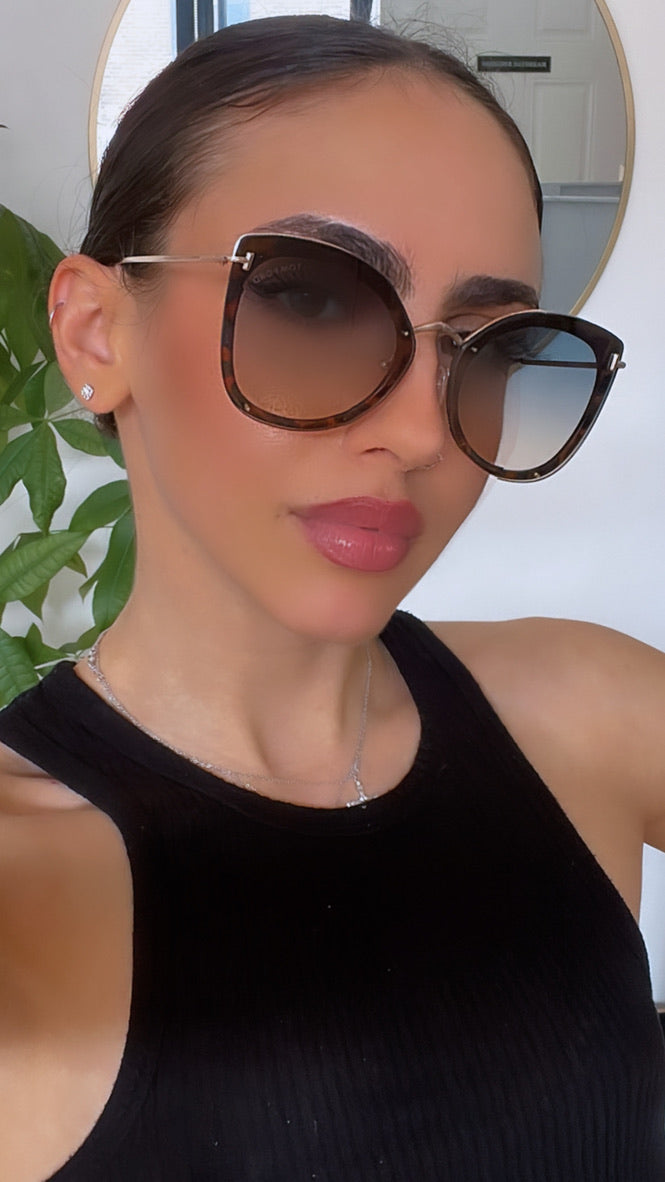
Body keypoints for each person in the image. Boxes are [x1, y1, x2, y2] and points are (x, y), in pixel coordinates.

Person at [0, 13, 663, 1181]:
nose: (419, 432)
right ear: (96, 332)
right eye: (309, 302)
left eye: (487, 345)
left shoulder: (583, 707)